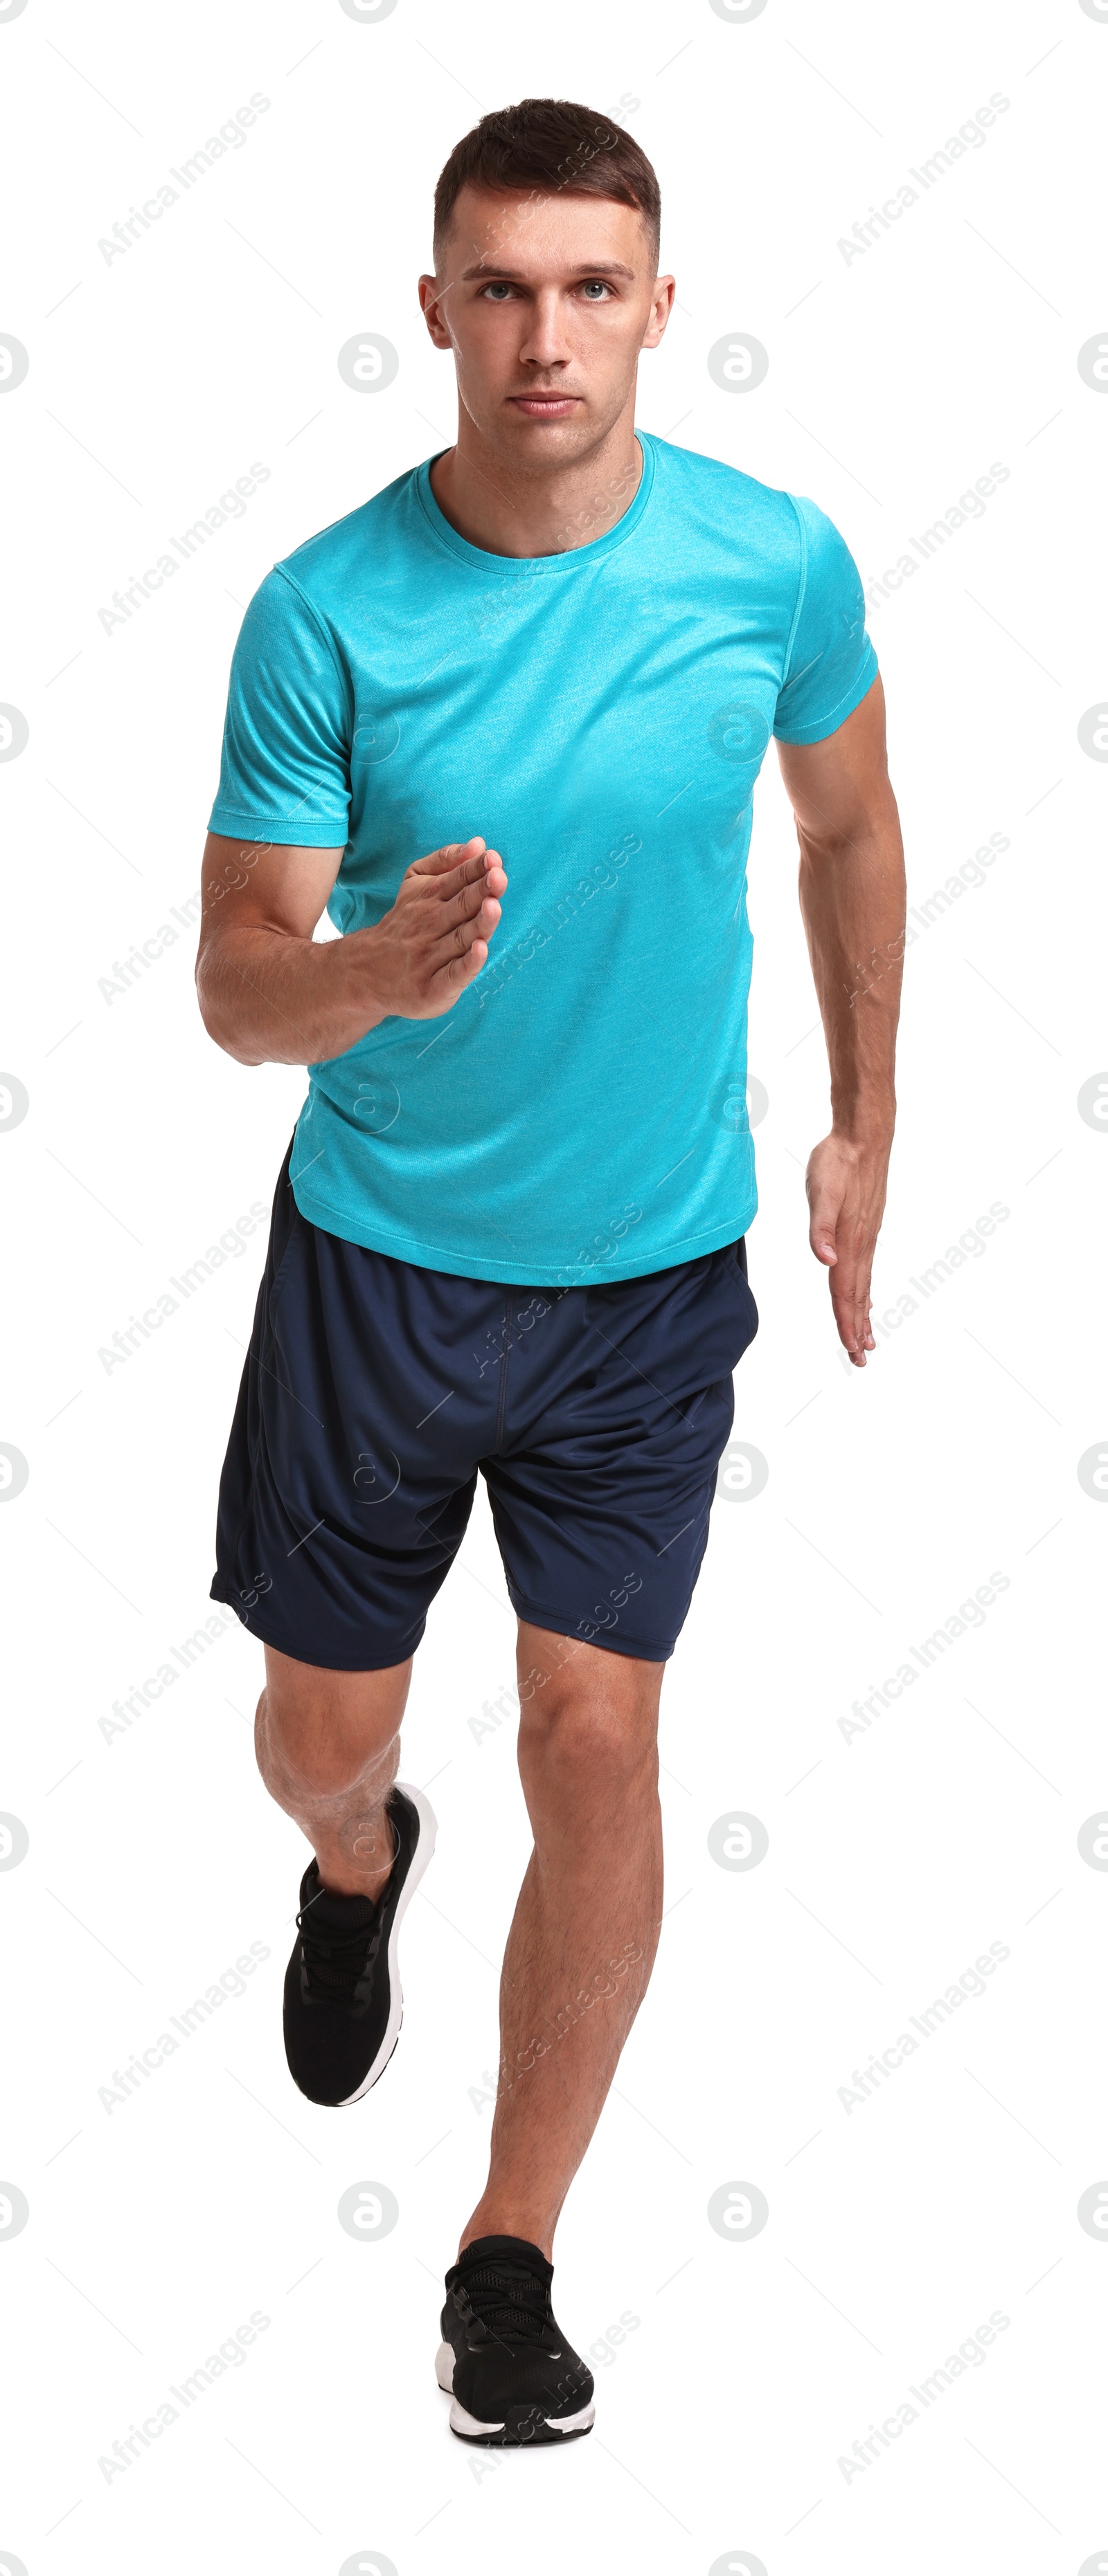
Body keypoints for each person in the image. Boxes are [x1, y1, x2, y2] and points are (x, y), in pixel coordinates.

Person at [195, 96, 904, 2449]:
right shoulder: (327, 610)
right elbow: (230, 980)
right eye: (499, 288)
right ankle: (357, 1865)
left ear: (660, 312)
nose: (544, 338)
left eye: (590, 288)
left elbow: (847, 816)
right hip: (383, 1270)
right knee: (326, 1736)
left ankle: (510, 2255)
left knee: (600, 1732)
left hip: (645, 1283)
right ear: (433, 312)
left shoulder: (772, 564)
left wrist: (864, 1119)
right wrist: (373, 978)